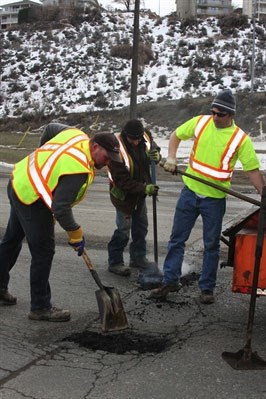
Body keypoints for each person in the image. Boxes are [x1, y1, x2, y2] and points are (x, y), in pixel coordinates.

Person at [149, 89, 265, 304]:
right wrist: (172, 158)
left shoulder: (240, 139)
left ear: (230, 115)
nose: (215, 117)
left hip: (214, 199)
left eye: (220, 114)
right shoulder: (200, 123)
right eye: (213, 112)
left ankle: (207, 288)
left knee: (211, 245)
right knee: (177, 239)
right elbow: (175, 135)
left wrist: (263, 194)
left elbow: (252, 171)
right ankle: (169, 280)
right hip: (190, 192)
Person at [0, 124, 122, 321]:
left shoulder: (76, 135)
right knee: (44, 251)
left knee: (12, 239)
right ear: (95, 147)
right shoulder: (78, 168)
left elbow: (49, 129)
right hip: (32, 198)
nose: (107, 163)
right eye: (106, 157)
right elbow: (61, 208)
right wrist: (75, 233)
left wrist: (41, 156)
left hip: (20, 180)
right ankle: (40, 307)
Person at [107, 119, 162, 285]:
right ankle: (115, 262)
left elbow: (154, 148)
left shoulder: (144, 135)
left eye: (139, 138)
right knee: (123, 229)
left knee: (141, 227)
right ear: (126, 135)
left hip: (140, 194)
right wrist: (144, 188)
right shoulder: (115, 147)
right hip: (123, 196)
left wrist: (157, 156)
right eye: (133, 139)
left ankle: (138, 258)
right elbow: (122, 180)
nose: (137, 142)